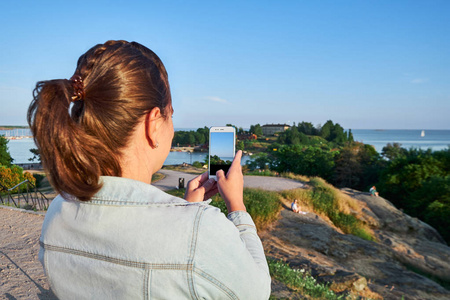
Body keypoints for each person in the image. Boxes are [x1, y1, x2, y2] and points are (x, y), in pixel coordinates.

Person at [28, 40, 271, 299]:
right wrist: (236, 205)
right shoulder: (200, 230)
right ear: (153, 124)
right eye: (171, 115)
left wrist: (184, 208)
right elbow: (256, 291)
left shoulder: (58, 212)